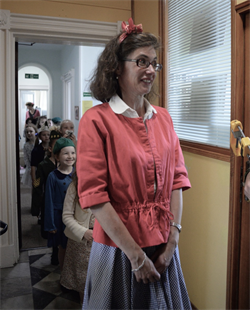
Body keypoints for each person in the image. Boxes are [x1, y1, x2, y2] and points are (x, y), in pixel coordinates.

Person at [77, 18, 192, 310]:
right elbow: (95, 197)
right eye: (142, 62)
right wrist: (136, 257)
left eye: (155, 63)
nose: (151, 70)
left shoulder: (163, 118)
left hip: (164, 247)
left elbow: (177, 180)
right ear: (117, 67)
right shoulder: (96, 121)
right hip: (119, 251)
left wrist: (173, 241)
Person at [60, 173, 94, 303]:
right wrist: (84, 232)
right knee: (83, 281)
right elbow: (67, 216)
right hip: (81, 242)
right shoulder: (75, 186)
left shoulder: (110, 184)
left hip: (104, 242)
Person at [44, 137, 76, 271]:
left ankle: (73, 275)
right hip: (59, 216)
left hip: (75, 216)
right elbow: (49, 201)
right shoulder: (53, 176)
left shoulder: (77, 173)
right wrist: (50, 224)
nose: (70, 156)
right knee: (63, 246)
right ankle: (64, 275)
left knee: (73, 246)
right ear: (57, 156)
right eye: (66, 153)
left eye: (73, 153)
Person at [32, 128, 62, 264]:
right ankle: (55, 252)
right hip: (49, 202)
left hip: (64, 202)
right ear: (50, 148)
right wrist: (36, 207)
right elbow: (38, 186)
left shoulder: (66, 163)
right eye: (56, 145)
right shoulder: (43, 165)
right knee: (52, 230)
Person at [30, 124, 50, 217]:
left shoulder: (52, 148)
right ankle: (38, 213)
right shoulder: (36, 149)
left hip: (49, 174)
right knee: (38, 192)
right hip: (39, 174)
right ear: (40, 136)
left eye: (48, 135)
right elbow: (33, 166)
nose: (46, 137)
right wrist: (34, 179)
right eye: (44, 135)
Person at [21, 124, 37, 188]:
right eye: (27, 132)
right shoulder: (26, 145)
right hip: (31, 167)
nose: (29, 133)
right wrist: (29, 167)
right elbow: (26, 157)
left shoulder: (39, 143)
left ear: (35, 132)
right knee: (33, 185)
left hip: (39, 167)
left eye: (31, 131)